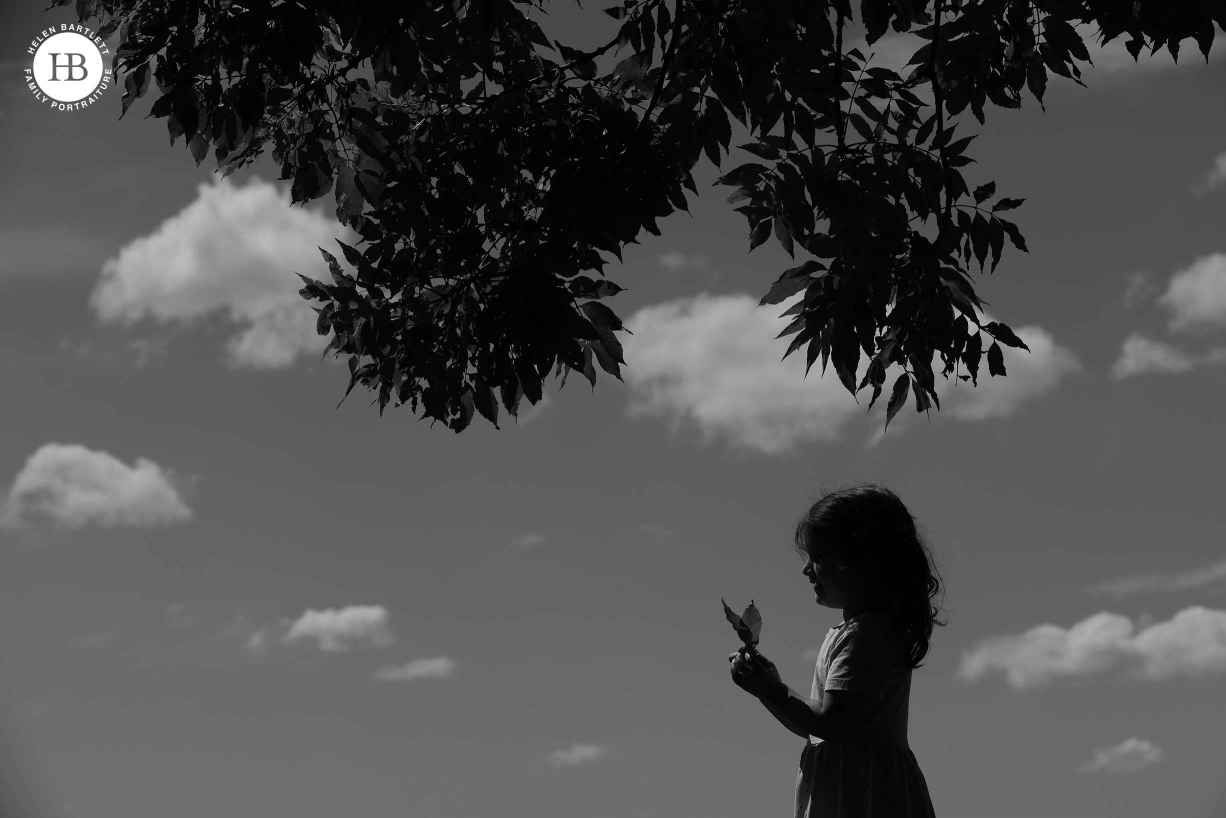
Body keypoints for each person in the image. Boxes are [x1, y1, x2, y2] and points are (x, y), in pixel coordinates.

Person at [728, 483, 947, 817]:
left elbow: (831, 724)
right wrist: (770, 690)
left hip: (860, 795)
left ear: (865, 564)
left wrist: (771, 691)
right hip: (861, 789)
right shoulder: (862, 632)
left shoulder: (865, 636)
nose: (806, 569)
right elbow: (818, 727)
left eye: (820, 557)